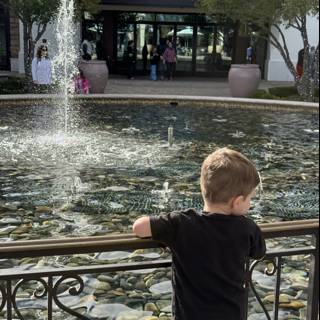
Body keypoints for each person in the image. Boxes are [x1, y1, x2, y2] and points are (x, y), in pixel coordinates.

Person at [133, 147, 266, 320]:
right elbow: (259, 252)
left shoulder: (181, 223)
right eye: (250, 199)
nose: (250, 203)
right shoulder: (247, 228)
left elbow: (139, 227)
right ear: (238, 201)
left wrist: (169, 238)